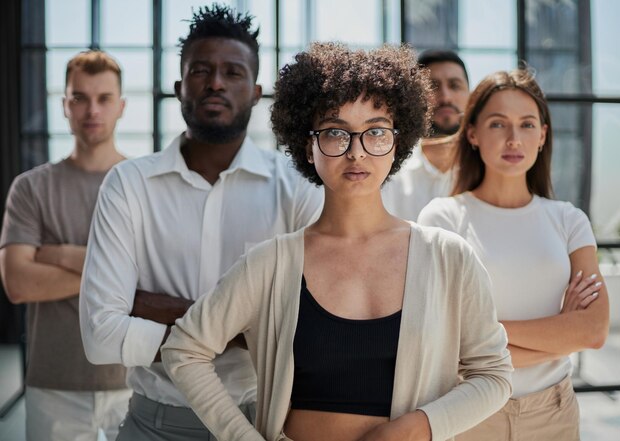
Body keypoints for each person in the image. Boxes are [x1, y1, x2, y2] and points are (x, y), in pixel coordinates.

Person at [161, 42, 512, 441]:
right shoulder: (271, 263)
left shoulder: (449, 257)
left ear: (397, 142)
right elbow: (184, 349)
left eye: (375, 132)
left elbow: (493, 375)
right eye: (334, 133)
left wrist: (417, 428)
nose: (356, 153)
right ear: (308, 147)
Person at [79, 5, 322, 441]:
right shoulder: (129, 184)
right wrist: (247, 324)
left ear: (255, 92)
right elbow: (100, 337)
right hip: (153, 423)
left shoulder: (297, 188)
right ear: (178, 87)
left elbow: (313, 331)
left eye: (233, 72)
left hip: (261, 422)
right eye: (201, 70)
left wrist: (147, 305)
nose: (215, 83)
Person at [418, 69, 610, 440]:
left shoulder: (569, 220)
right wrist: (559, 337)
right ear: (472, 133)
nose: (512, 138)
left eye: (526, 124)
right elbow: (441, 343)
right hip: (468, 412)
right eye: (497, 124)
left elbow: (593, 330)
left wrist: (481, 341)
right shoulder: (442, 217)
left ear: (542, 135)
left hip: (553, 413)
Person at [0, 50, 130, 441]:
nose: (92, 109)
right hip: (53, 384)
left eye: (104, 98)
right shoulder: (31, 187)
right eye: (80, 97)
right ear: (64, 106)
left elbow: (153, 279)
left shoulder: (144, 186)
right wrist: (114, 270)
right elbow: (19, 283)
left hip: (133, 381)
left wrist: (62, 255)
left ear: (121, 106)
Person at [382, 49, 470, 220]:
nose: (446, 97)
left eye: (455, 85)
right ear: (415, 97)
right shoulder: (389, 173)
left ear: (471, 96)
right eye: (433, 86)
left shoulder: (489, 170)